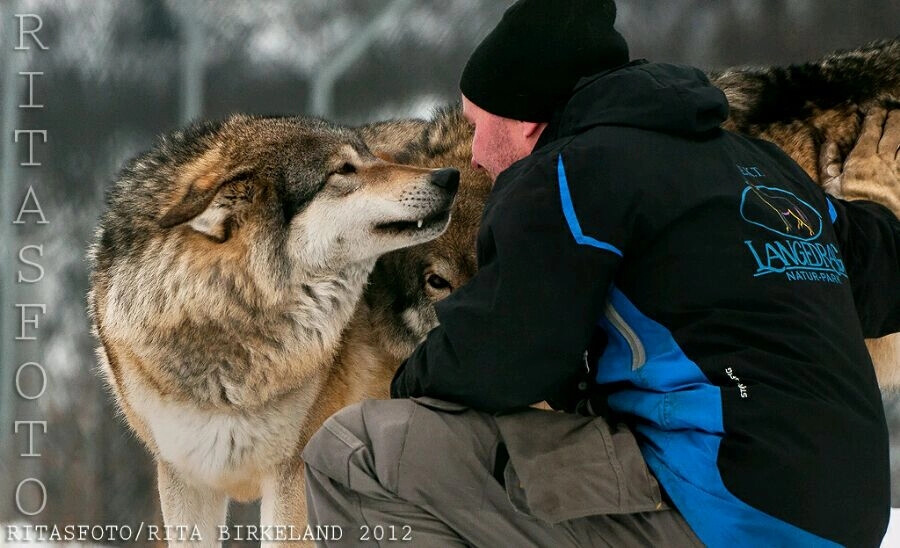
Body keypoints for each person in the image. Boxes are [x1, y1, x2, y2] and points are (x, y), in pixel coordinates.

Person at [302, 0, 900, 546]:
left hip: (726, 508)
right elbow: (883, 275)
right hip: (850, 515)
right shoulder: (759, 166)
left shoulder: (567, 174)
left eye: (479, 124)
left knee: (358, 450)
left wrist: (412, 382)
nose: (477, 152)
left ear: (527, 122)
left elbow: (505, 353)